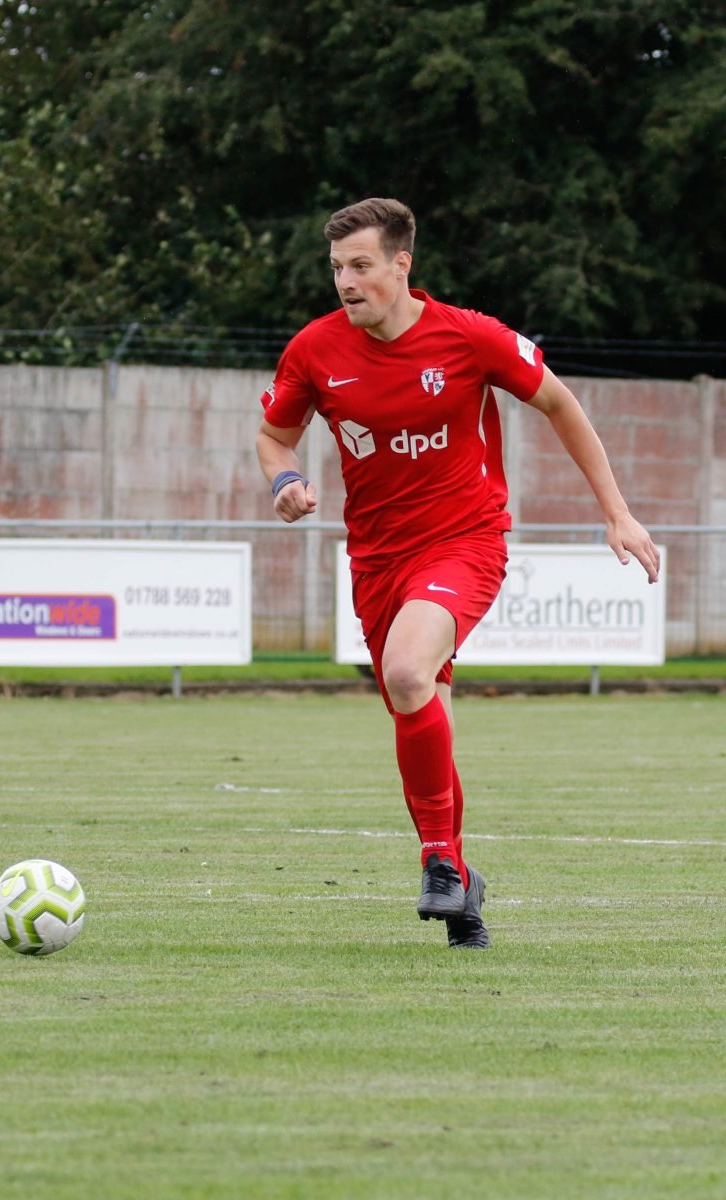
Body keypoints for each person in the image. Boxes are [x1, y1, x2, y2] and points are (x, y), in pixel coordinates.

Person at [255, 197, 660, 950]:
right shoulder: (315, 349)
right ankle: (462, 887)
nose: (346, 281)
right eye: (337, 267)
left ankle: (438, 859)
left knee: (408, 672)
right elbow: (275, 437)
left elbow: (561, 404)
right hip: (376, 559)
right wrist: (284, 481)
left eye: (361, 266)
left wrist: (618, 513)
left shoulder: (468, 337)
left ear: (401, 264)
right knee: (420, 709)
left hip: (464, 542)